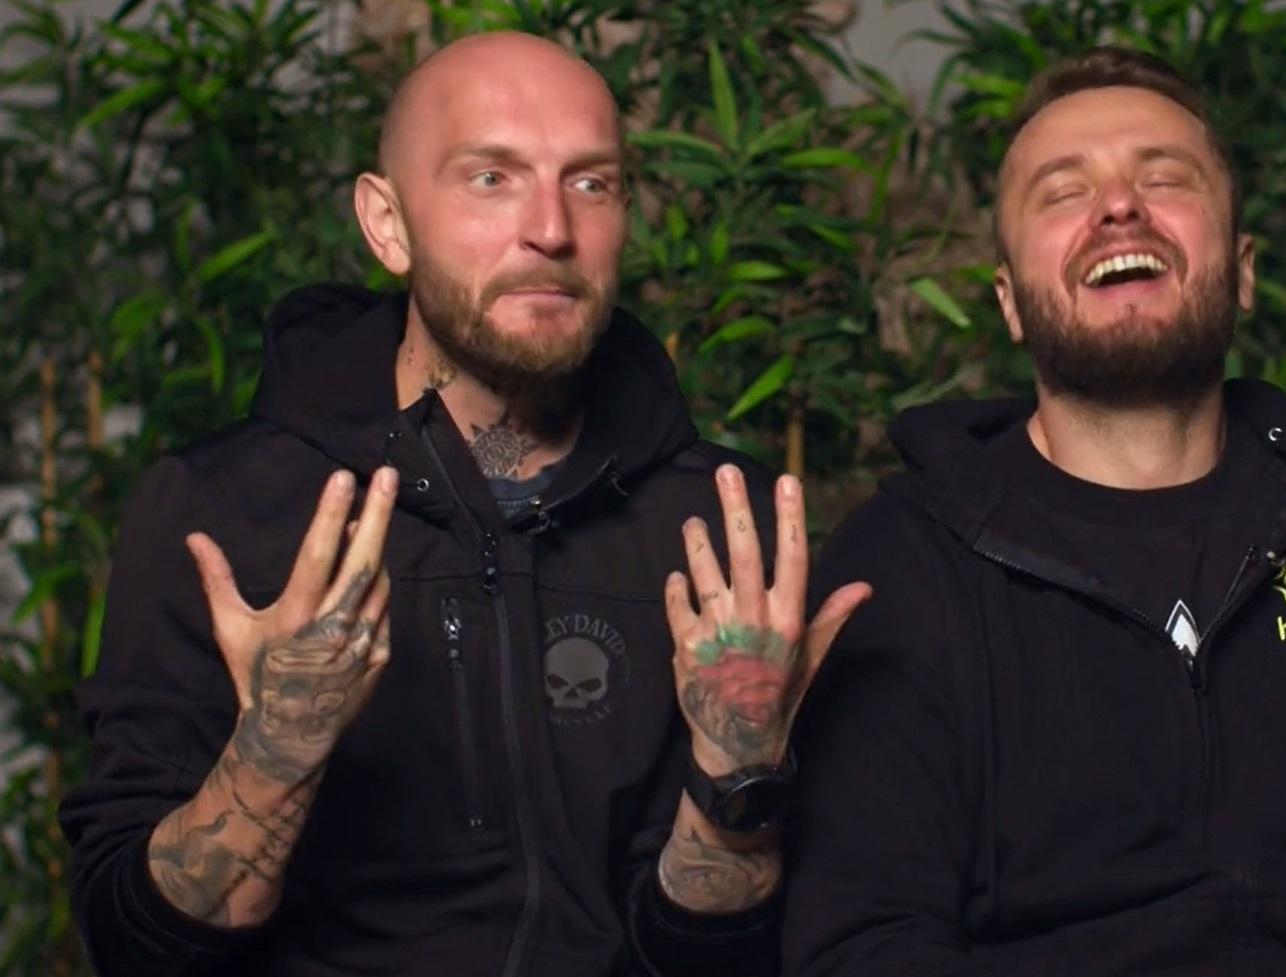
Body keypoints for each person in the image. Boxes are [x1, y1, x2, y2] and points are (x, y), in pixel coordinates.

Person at [783, 45, 1286, 977]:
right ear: (1009, 304)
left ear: (1243, 269)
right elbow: (863, 939)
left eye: (1164, 178)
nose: (1117, 207)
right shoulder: (899, 569)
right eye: (1063, 191)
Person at [60, 30, 867, 977]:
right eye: (491, 178)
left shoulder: (719, 528)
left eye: (590, 182)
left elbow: (712, 957)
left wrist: (737, 780)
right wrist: (273, 754)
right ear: (387, 224)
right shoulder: (225, 511)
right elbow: (136, 948)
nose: (552, 229)